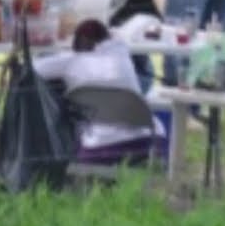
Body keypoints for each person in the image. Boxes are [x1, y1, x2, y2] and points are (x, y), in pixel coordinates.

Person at [34, 20, 166, 163]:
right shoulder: (121, 51)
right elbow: (118, 39)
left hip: (99, 146)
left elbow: (34, 68)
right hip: (147, 141)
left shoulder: (70, 62)